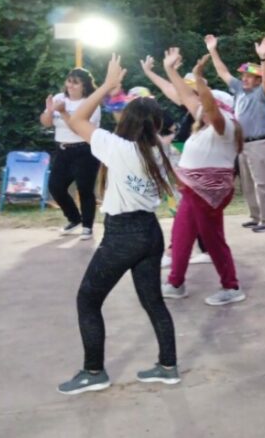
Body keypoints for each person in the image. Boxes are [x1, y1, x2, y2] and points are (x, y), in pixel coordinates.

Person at [56, 55, 180, 394]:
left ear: (127, 121)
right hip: (150, 232)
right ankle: (168, 366)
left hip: (123, 236)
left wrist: (107, 87)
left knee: (87, 300)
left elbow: (77, 119)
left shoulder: (118, 148)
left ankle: (93, 371)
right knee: (153, 301)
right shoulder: (160, 152)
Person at [154, 49, 247, 306]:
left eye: (206, 105)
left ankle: (231, 286)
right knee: (182, 234)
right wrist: (170, 70)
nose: (200, 109)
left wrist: (199, 78)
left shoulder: (225, 124)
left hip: (208, 191)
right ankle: (175, 283)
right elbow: (187, 97)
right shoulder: (205, 125)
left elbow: (209, 108)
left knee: (212, 238)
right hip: (194, 190)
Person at [205, 34, 265, 232]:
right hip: (242, 143)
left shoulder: (262, 93)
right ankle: (255, 216)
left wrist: (263, 58)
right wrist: (212, 50)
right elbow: (223, 72)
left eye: (249, 76)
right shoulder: (239, 89)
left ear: (257, 79)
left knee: (262, 183)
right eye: (243, 75)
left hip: (259, 142)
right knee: (247, 183)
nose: (244, 78)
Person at [41, 67, 102, 239]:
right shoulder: (59, 98)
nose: (70, 85)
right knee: (55, 186)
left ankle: (87, 226)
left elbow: (79, 129)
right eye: (69, 81)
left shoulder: (90, 103)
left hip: (84, 150)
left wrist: (63, 112)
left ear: (85, 85)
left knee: (85, 189)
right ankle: (74, 219)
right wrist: (50, 111)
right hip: (63, 150)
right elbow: (46, 123)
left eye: (76, 83)